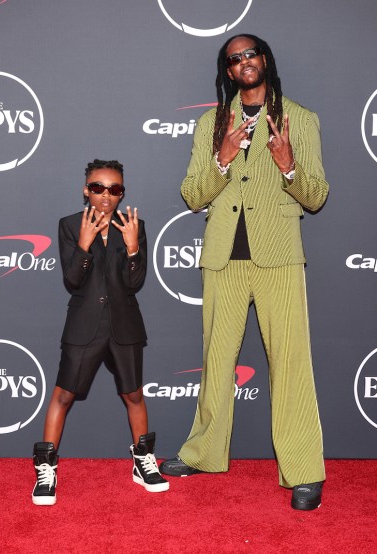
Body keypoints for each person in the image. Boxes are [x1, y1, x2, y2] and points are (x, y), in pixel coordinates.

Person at [160, 35, 328, 511]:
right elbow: (193, 194)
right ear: (228, 72)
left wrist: (289, 166)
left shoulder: (302, 120)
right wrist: (221, 160)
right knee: (216, 359)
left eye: (250, 54)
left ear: (265, 60)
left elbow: (317, 196)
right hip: (223, 259)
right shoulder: (212, 123)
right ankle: (203, 453)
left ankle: (303, 470)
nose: (243, 63)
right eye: (234, 59)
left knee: (291, 363)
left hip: (278, 257)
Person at [32, 159, 169, 505]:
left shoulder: (133, 226)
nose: (106, 196)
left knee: (134, 395)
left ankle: (143, 463)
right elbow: (72, 280)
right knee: (62, 396)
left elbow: (134, 284)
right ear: (86, 190)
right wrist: (84, 244)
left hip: (124, 326)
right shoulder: (68, 226)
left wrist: (134, 248)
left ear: (122, 193)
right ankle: (46, 471)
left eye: (114, 189)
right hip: (84, 326)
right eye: (98, 187)